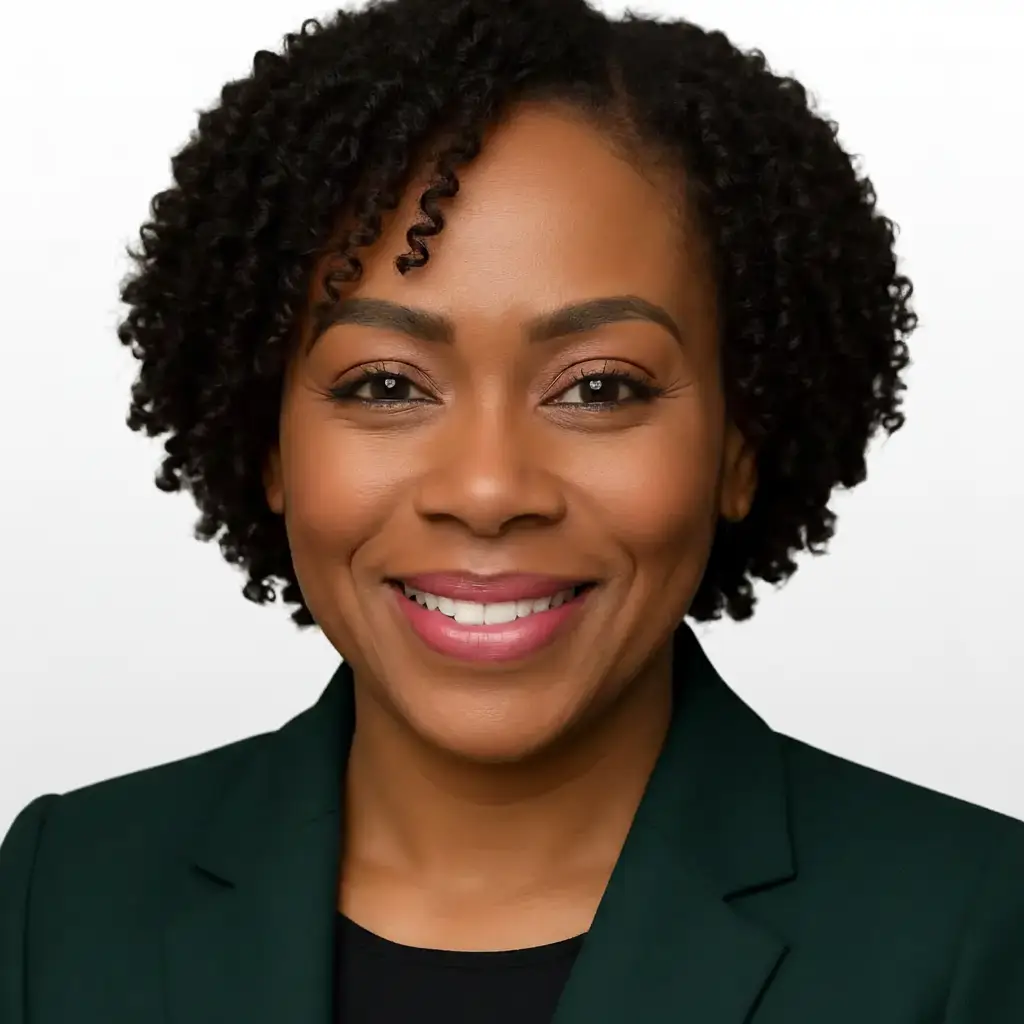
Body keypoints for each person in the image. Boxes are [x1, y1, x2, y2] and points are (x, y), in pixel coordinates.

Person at [2, 0, 1022, 1020]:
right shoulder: (60, 899)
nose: (487, 490)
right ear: (267, 444)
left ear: (738, 447)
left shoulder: (971, 928)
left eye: (599, 387)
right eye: (386, 385)